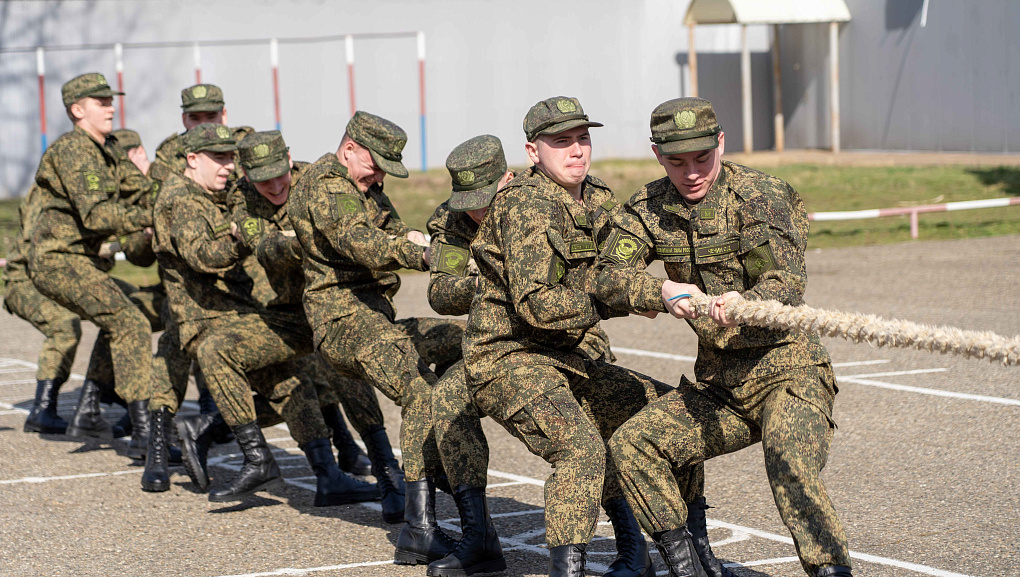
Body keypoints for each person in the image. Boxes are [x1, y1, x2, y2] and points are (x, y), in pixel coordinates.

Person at [596, 97, 852, 577]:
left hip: (786, 373)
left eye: (701, 158)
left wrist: (737, 304)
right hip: (719, 387)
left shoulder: (760, 196)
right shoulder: (649, 207)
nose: (691, 172)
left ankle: (830, 570)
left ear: (721, 144)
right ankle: (687, 566)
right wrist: (659, 290)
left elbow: (784, 286)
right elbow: (606, 275)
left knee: (788, 458)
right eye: (676, 162)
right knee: (633, 445)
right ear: (657, 155)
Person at [462, 97, 691, 577]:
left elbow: (618, 265)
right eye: (560, 142)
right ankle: (569, 569)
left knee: (674, 418)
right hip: (508, 357)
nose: (576, 151)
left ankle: (677, 556)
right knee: (581, 449)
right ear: (532, 152)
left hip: (567, 356)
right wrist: (639, 297)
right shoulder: (526, 204)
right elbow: (539, 306)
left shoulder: (597, 196)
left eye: (583, 139)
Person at [148, 124, 377, 507]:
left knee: (295, 383)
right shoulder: (181, 200)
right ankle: (254, 454)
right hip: (207, 318)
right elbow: (202, 257)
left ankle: (326, 474)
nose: (227, 166)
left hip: (233, 311)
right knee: (296, 377)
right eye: (218, 158)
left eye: (230, 157)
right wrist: (240, 240)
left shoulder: (207, 194)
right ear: (192, 160)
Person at [287, 111, 465, 565]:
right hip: (342, 321)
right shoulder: (325, 183)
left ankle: (445, 456)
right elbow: (359, 240)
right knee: (418, 389)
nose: (380, 175)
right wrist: (422, 253)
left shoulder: (366, 186)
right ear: (350, 148)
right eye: (376, 164)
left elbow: (389, 231)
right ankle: (418, 528)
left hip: (378, 318)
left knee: (464, 341)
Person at [27, 73, 154, 445]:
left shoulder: (108, 148)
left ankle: (89, 409)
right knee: (129, 321)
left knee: (137, 306)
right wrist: (153, 216)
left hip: (83, 262)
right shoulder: (73, 149)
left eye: (111, 100)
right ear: (77, 110)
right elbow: (97, 215)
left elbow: (142, 189)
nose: (111, 107)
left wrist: (175, 197)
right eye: (101, 102)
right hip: (59, 259)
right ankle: (146, 432)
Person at [425, 134, 513, 577]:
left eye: (486, 198)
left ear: (508, 177)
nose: (477, 211)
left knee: (592, 422)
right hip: (494, 344)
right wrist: (483, 284)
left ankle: (632, 540)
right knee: (447, 397)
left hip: (565, 340)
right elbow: (440, 291)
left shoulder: (537, 202)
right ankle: (478, 537)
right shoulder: (452, 220)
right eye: (469, 201)